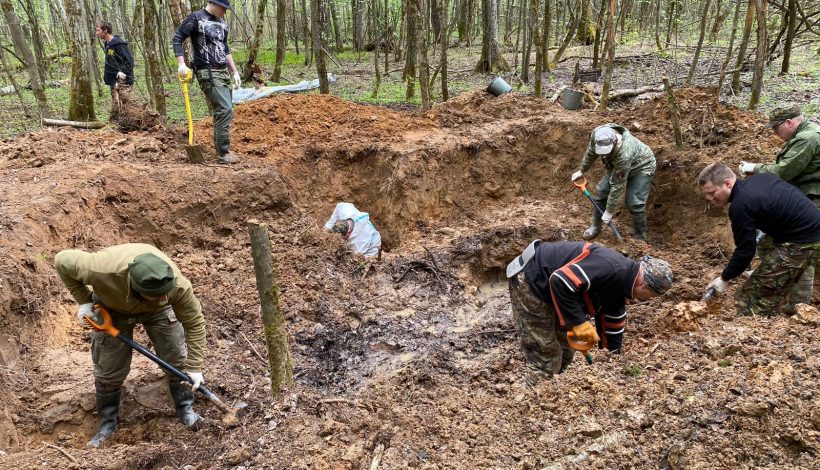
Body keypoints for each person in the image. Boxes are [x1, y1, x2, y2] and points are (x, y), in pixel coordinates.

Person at [54, 244, 206, 448]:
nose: (165, 298)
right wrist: (84, 301)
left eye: (166, 293)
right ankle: (108, 423)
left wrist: (195, 367)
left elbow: (194, 323)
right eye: (159, 295)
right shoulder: (100, 269)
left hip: (157, 312)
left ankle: (185, 409)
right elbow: (62, 259)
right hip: (112, 307)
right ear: (137, 289)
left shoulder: (175, 287)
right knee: (108, 371)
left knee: (176, 359)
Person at [505, 240, 673, 386]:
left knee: (566, 349)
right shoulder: (611, 268)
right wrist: (579, 322)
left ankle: (552, 394)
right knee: (546, 356)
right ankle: (532, 405)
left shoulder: (624, 283)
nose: (648, 300)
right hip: (532, 279)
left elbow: (613, 322)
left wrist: (611, 360)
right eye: (651, 296)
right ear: (645, 286)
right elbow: (560, 280)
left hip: (556, 291)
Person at [698, 163, 820, 316]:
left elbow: (746, 250)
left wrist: (724, 278)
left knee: (751, 298)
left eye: (712, 192)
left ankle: (757, 323)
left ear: (727, 183)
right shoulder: (759, 179)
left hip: (802, 240)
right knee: (767, 281)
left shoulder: (740, 205)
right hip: (810, 228)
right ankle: (785, 310)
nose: (709, 198)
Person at [737, 104, 820, 305]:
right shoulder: (802, 136)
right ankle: (770, 279)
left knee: (802, 251)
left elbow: (784, 171)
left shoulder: (807, 138)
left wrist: (755, 167)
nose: (774, 133)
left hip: (812, 200)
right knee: (767, 242)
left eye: (776, 128)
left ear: (789, 122)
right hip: (801, 197)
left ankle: (798, 306)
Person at [172, 0, 242, 164]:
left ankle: (221, 150)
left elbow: (225, 48)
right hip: (207, 71)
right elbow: (177, 39)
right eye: (223, 9)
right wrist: (181, 64)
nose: (224, 12)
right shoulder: (196, 18)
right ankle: (223, 154)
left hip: (223, 71)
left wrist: (235, 71)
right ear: (215, 4)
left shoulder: (222, 23)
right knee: (225, 109)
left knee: (223, 110)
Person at [570, 124, 656, 241]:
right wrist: (581, 170)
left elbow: (617, 186)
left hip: (642, 166)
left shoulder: (624, 153)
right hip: (618, 163)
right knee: (601, 191)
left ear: (614, 143)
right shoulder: (597, 134)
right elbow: (591, 152)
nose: (603, 155)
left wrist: (609, 211)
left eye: (606, 152)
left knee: (634, 203)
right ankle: (595, 226)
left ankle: (640, 238)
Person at [94, 21, 134, 120]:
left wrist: (122, 71)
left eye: (98, 30)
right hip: (114, 81)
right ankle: (115, 124)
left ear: (105, 30)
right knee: (116, 105)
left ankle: (127, 126)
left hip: (124, 81)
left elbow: (129, 61)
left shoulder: (119, 44)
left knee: (124, 104)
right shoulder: (108, 43)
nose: (96, 33)